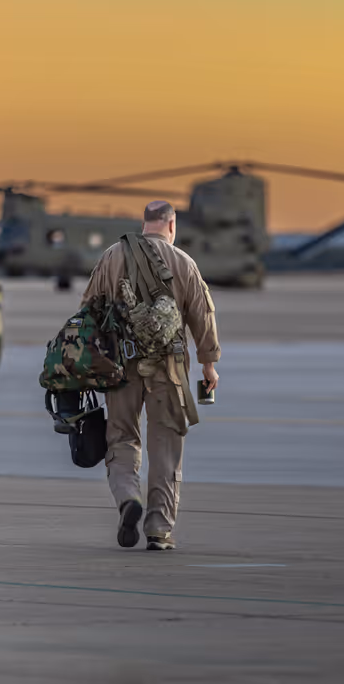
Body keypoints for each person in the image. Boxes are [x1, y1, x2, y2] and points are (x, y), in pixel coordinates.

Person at [81, 200, 220, 551]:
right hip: (169, 369)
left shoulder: (112, 255)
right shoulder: (184, 262)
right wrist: (208, 363)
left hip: (121, 367)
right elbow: (202, 315)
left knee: (122, 437)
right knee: (166, 445)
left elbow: (86, 310)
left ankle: (128, 497)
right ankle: (158, 529)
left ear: (145, 223)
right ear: (171, 225)